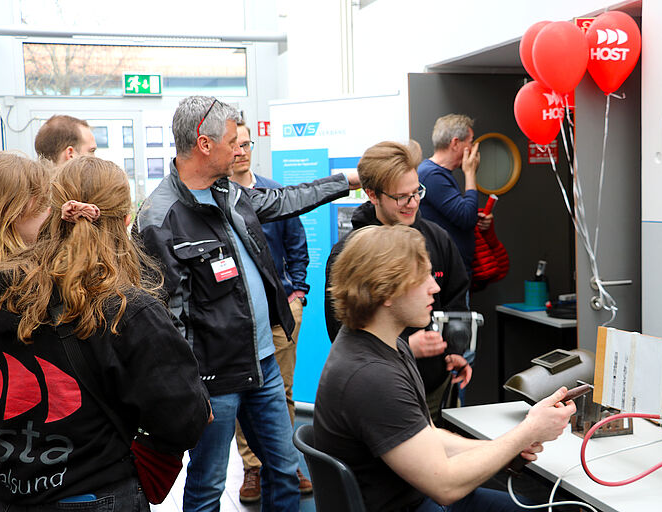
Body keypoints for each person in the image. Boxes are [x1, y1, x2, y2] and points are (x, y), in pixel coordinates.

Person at [134, 95, 358, 512]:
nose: (241, 149)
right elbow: (164, 320)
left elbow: (285, 200)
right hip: (212, 380)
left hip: (264, 363)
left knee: (285, 471)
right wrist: (190, 390)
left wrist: (348, 180)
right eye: (233, 141)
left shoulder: (230, 194)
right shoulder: (158, 218)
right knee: (206, 486)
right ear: (204, 144)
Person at [0, 156, 210, 510]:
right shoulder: (129, 309)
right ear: (125, 221)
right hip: (98, 495)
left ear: (52, 213)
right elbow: (184, 419)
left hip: (9, 493)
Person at [315, 224, 576, 512]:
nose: (435, 287)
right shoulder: (371, 377)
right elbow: (446, 486)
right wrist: (526, 432)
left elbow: (427, 438)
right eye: (421, 277)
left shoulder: (386, 345)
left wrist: (511, 446)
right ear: (385, 291)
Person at [325, 141, 471, 424]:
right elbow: (342, 330)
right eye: (402, 197)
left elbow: (457, 299)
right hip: (379, 389)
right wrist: (405, 346)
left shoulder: (438, 238)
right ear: (372, 195)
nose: (413, 203)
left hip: (435, 384)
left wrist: (455, 349)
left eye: (417, 192)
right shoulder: (351, 253)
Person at [230, 121, 313, 502]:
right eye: (236, 144)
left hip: (282, 310)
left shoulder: (275, 193)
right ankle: (253, 468)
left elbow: (298, 245)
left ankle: (287, 461)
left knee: (284, 391)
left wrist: (297, 295)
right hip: (239, 315)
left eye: (247, 144)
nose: (242, 150)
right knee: (245, 391)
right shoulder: (217, 198)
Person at [0, 151, 52, 512]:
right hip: (16, 467)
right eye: (45, 209)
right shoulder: (20, 288)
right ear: (19, 211)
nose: (50, 220)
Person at [417, 114, 493, 271]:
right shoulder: (432, 175)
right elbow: (466, 218)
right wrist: (470, 173)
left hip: (455, 268)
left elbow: (457, 214)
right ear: (456, 143)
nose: (472, 149)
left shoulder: (439, 173)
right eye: (470, 142)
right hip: (446, 271)